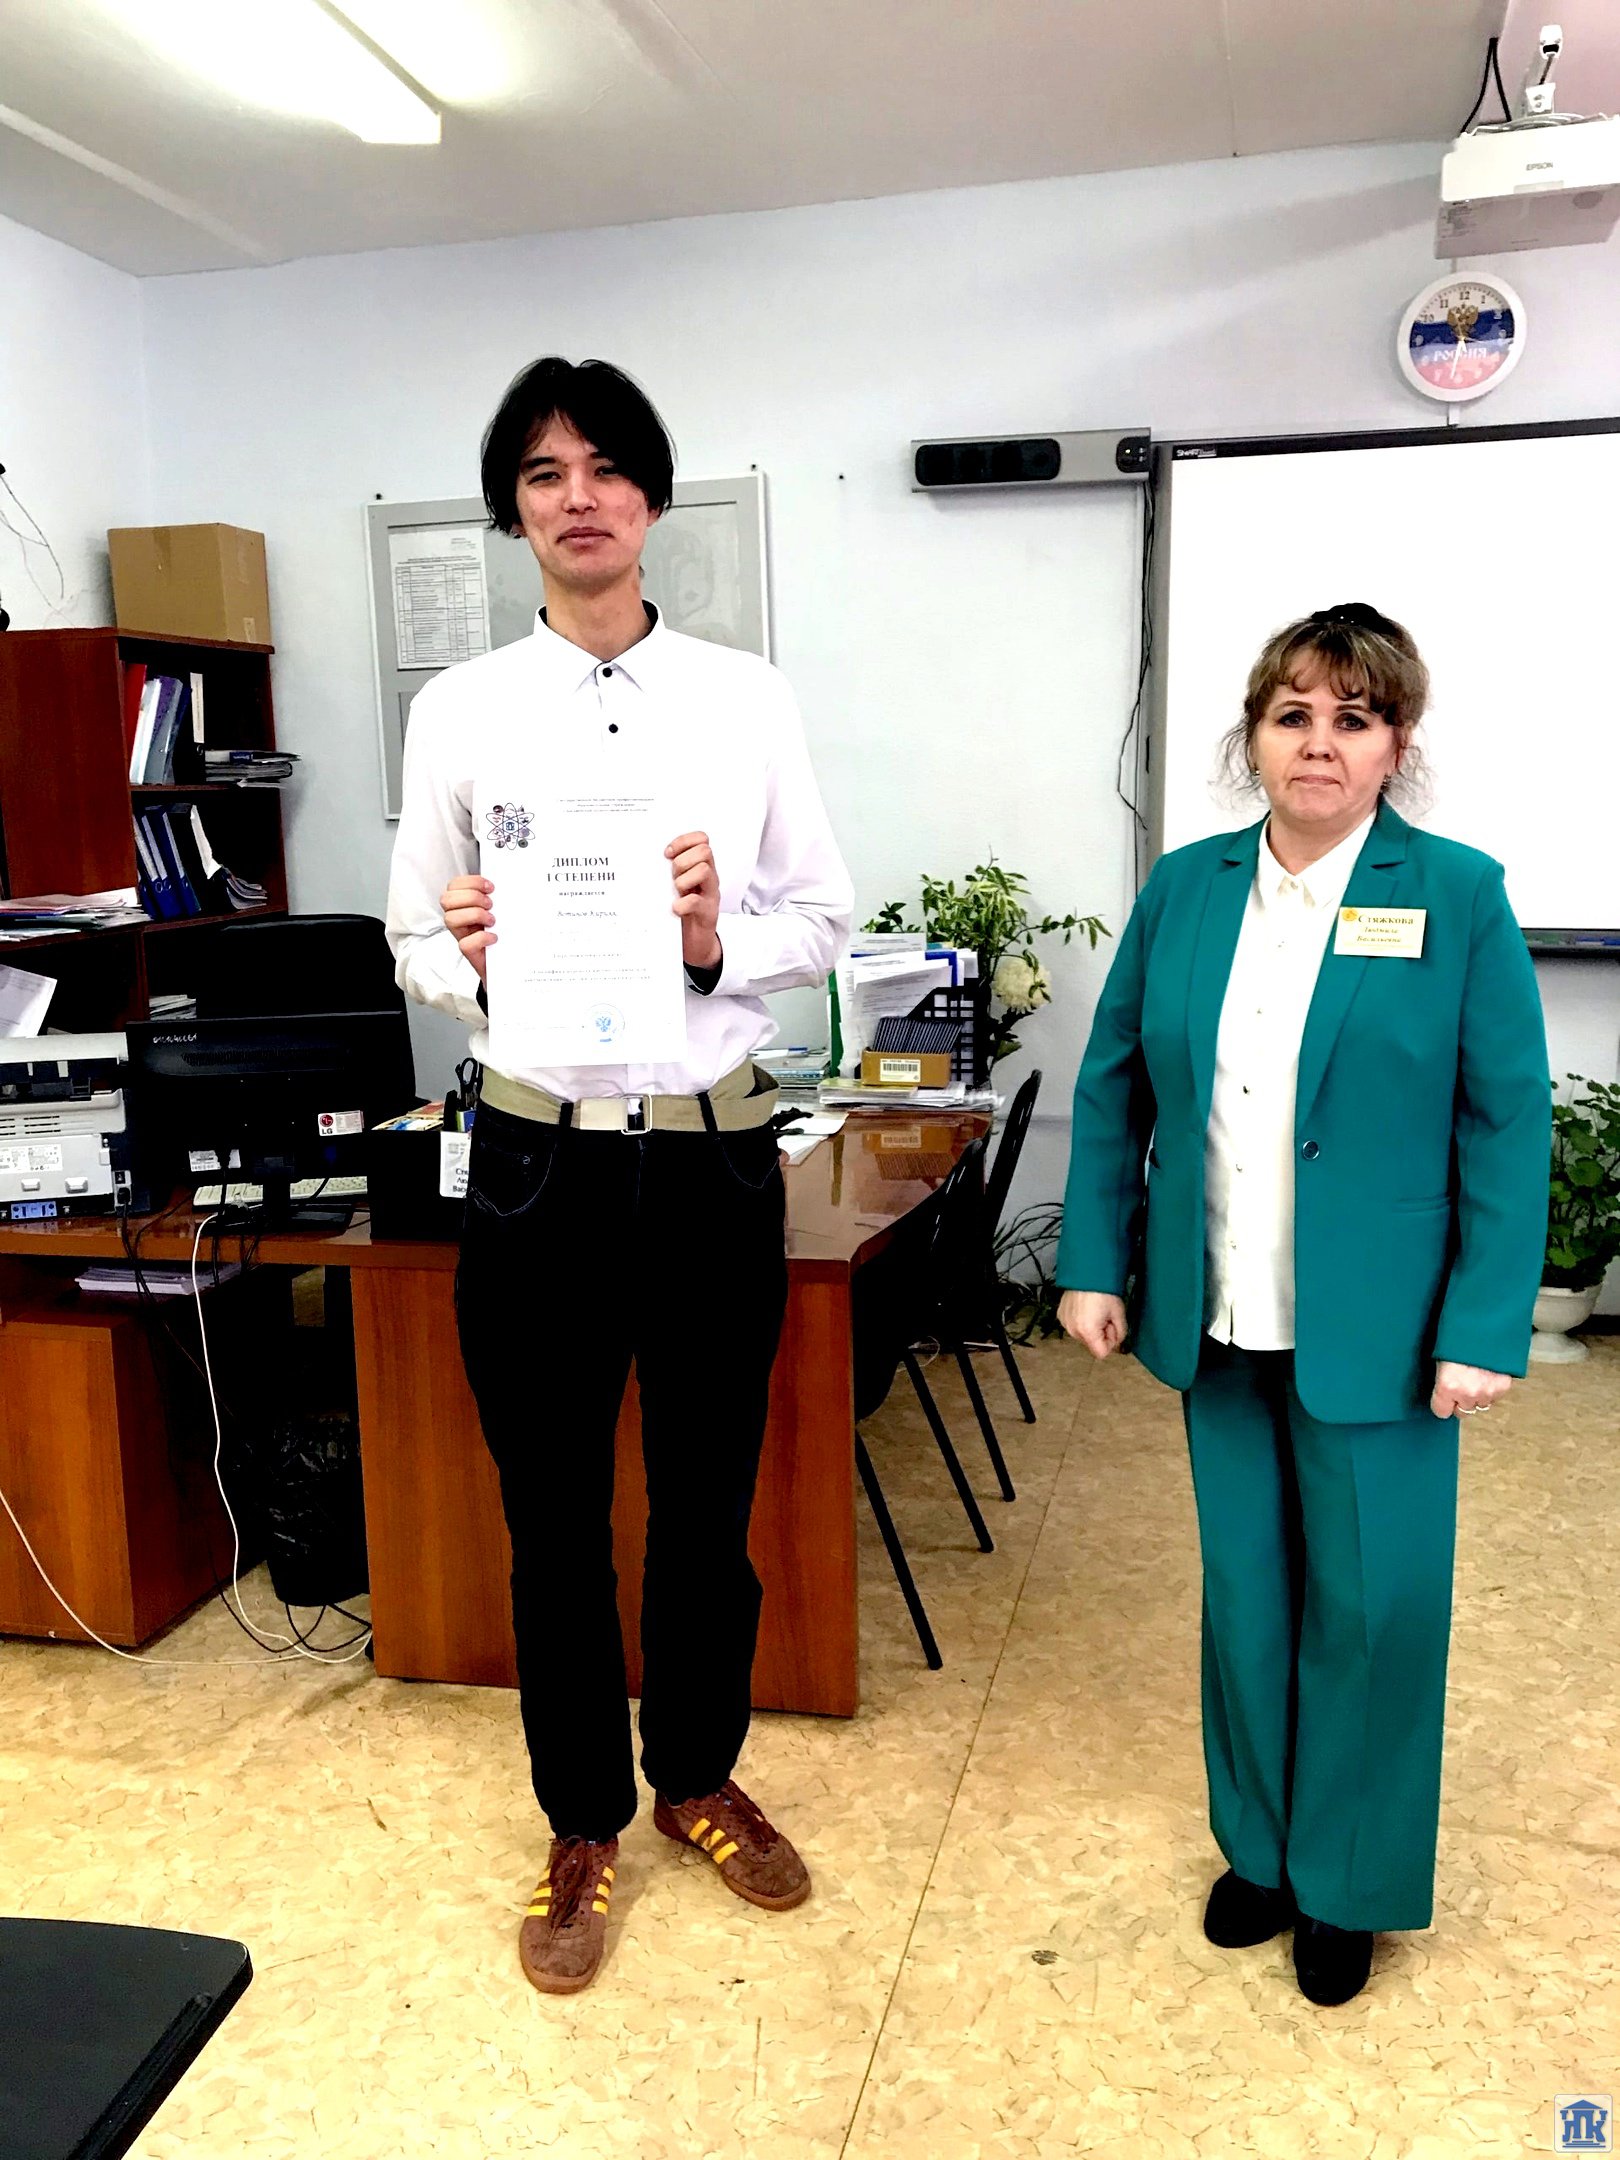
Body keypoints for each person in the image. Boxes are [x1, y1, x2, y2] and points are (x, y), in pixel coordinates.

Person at [385, 356, 853, 1995]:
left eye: (603, 468)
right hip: (536, 1166)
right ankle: (580, 1814)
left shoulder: (745, 698)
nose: (576, 497)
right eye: (541, 473)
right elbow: (408, 931)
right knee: (552, 1518)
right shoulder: (459, 710)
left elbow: (823, 920)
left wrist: (717, 937)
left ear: (650, 499)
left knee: (710, 1507)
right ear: (514, 511)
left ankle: (698, 1778)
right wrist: (463, 955)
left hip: (709, 1157)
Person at [1055, 603, 1548, 2006]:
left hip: (1386, 1337)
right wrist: (1093, 1261)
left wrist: (1482, 1326)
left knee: (1372, 1611)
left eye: (1354, 718)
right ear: (1255, 737)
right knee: (1248, 1599)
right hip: (1217, 1318)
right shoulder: (1187, 890)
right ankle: (1263, 1854)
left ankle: (1348, 1881)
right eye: (1294, 715)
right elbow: (1113, 1087)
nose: (1319, 743)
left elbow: (1506, 1123)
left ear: (1396, 745)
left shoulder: (1454, 895)